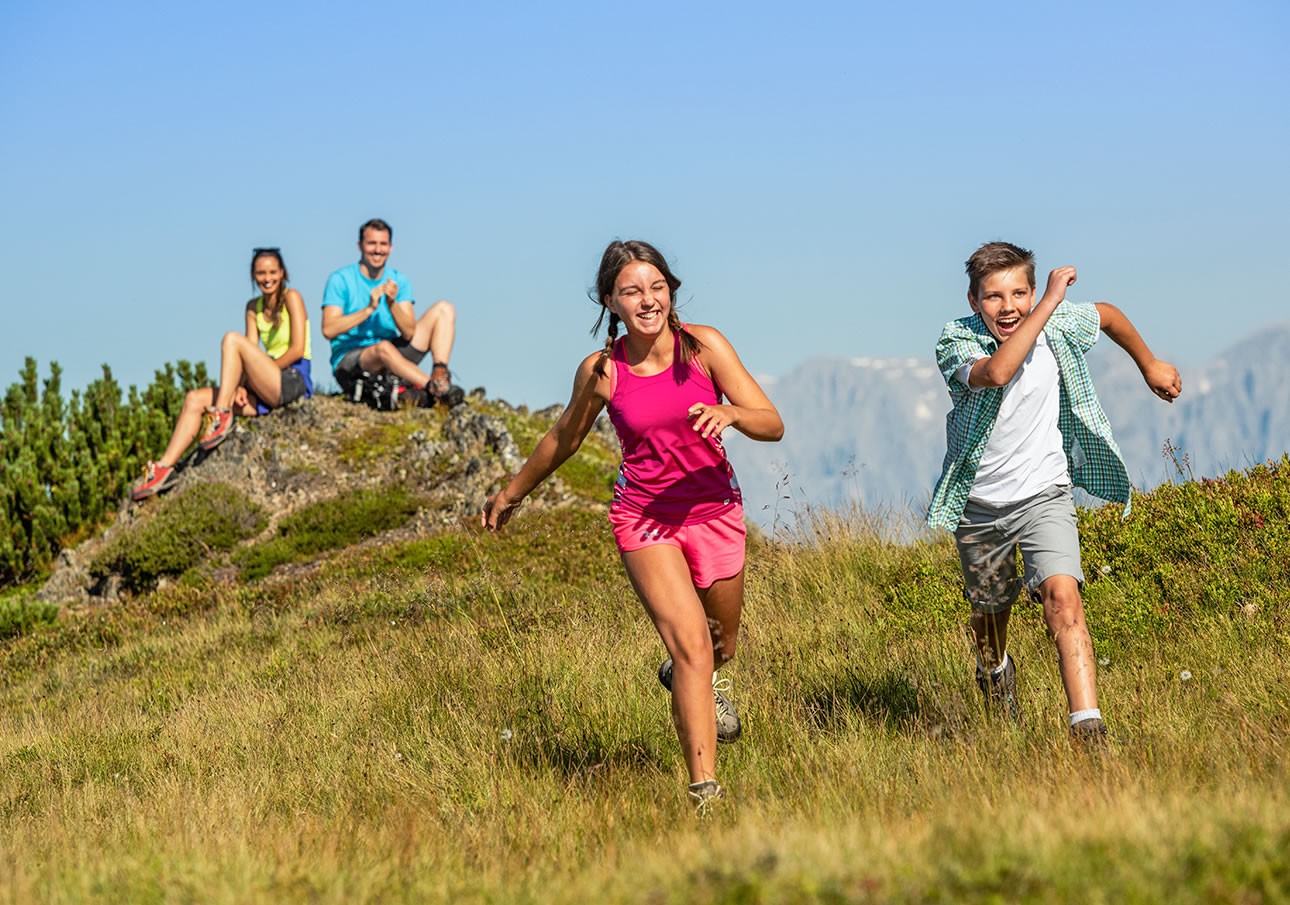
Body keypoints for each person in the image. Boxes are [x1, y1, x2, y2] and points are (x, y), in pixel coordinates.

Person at [482, 240, 783, 809]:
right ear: (610, 301)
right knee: (694, 645)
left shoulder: (705, 346)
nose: (647, 300)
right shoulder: (602, 370)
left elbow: (772, 424)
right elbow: (564, 438)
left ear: (670, 288)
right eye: (631, 292)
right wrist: (512, 492)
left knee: (721, 645)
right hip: (644, 519)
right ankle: (704, 793)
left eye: (656, 287)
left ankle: (690, 674)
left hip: (714, 511)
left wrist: (732, 413)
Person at [928, 241, 1182, 742]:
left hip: (1045, 493)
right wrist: (1046, 303)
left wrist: (1148, 363)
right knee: (989, 621)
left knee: (1063, 599)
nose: (1009, 307)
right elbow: (998, 372)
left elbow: (1108, 316)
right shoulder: (956, 342)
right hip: (980, 507)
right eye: (994, 296)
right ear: (973, 300)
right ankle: (996, 670)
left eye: (1019, 292)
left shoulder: (1058, 326)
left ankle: (1088, 730)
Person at [130, 247, 314, 501]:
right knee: (194, 399)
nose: (267, 278)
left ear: (282, 273)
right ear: (253, 275)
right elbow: (248, 354)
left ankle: (221, 414)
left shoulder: (293, 297)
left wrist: (255, 375)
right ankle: (164, 469)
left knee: (231, 340)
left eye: (272, 272)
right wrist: (240, 386)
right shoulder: (253, 307)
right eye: (261, 273)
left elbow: (296, 349)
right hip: (266, 382)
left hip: (292, 379)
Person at [321, 218, 457, 404]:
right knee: (383, 348)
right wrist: (369, 309)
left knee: (444, 309)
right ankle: (435, 390)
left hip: (393, 354)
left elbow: (409, 332)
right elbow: (328, 329)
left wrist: (392, 303)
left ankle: (440, 374)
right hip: (352, 360)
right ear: (360, 245)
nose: (378, 250)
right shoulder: (340, 280)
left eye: (383, 244)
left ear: (390, 247)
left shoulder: (398, 281)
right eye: (372, 244)